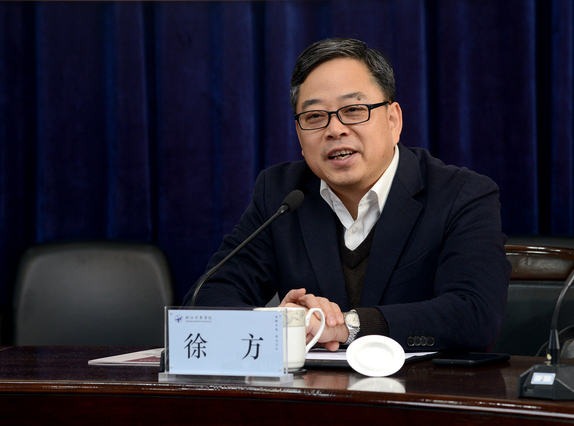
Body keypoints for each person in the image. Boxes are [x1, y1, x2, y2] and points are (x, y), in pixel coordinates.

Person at [185, 37, 511, 353]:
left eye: (354, 110)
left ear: (393, 120)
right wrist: (280, 322)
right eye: (314, 116)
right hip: (310, 389)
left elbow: (475, 314)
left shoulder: (460, 195)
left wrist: (346, 326)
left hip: (418, 388)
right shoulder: (282, 194)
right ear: (299, 135)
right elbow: (205, 299)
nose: (335, 129)